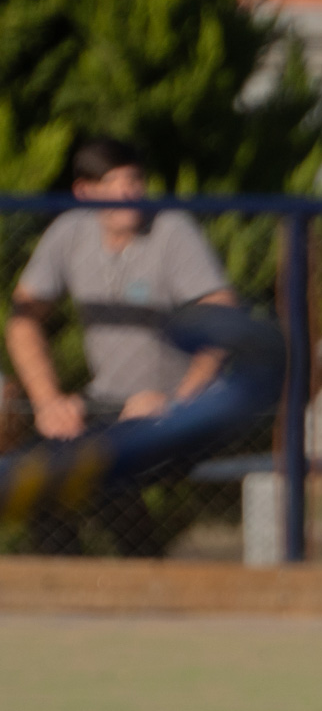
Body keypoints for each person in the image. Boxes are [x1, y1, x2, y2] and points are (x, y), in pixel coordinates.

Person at [5, 137, 280, 553]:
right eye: (116, 184)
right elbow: (22, 320)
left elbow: (222, 315)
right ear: (85, 192)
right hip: (106, 406)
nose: (130, 194)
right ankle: (67, 596)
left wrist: (180, 404)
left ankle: (145, 582)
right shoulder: (70, 232)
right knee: (45, 479)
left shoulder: (170, 229)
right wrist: (49, 403)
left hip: (172, 411)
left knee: (115, 474)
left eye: (136, 181)